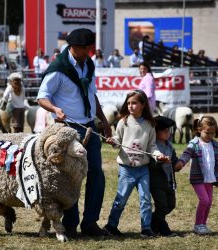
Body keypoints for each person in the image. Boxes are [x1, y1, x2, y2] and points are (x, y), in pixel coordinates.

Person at [37, 28, 112, 238]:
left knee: (96, 174)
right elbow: (42, 97)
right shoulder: (58, 68)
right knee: (70, 177)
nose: (88, 52)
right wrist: (54, 109)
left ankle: (90, 222)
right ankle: (70, 223)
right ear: (73, 47)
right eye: (85, 48)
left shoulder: (88, 64)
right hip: (68, 130)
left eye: (90, 48)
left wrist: (104, 121)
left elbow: (91, 95)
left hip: (89, 126)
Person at [103, 89, 169, 237]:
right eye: (128, 103)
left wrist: (158, 155)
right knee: (120, 200)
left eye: (134, 103)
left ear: (143, 105)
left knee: (145, 200)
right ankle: (111, 226)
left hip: (143, 169)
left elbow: (152, 146)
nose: (130, 106)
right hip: (126, 169)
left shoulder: (150, 124)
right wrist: (113, 142)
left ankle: (146, 228)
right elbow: (118, 140)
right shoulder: (123, 122)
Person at [175, 116, 218, 235]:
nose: (210, 135)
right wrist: (180, 163)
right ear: (199, 129)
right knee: (204, 200)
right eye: (207, 133)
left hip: (210, 177)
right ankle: (198, 225)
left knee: (209, 202)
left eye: (213, 133)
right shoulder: (194, 143)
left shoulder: (215, 145)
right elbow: (186, 154)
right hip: (198, 177)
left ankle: (203, 224)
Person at [149, 115, 178, 236]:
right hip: (157, 182)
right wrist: (160, 161)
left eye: (169, 130)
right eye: (164, 130)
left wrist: (178, 164)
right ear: (156, 132)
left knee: (171, 204)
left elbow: (174, 161)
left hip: (169, 181)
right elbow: (151, 165)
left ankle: (153, 221)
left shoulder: (169, 146)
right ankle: (163, 227)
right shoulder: (153, 147)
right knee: (161, 205)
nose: (168, 132)